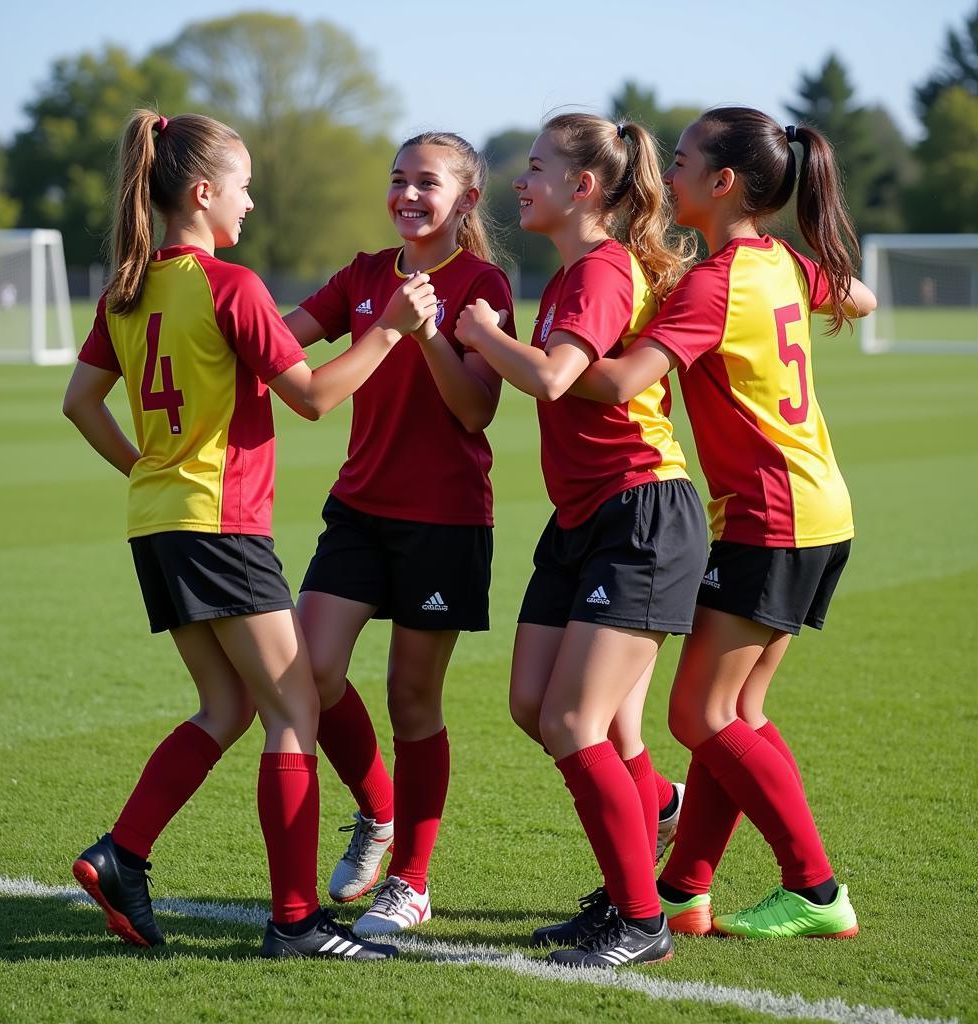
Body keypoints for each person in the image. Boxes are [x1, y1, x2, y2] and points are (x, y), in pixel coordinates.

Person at [63, 109, 438, 960]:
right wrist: (389, 330)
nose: (252, 204)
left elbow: (79, 403)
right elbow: (312, 396)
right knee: (294, 709)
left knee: (228, 705)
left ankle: (122, 853)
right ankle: (297, 921)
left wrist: (148, 471)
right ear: (203, 193)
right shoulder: (229, 286)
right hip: (221, 527)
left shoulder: (128, 287)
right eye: (244, 187)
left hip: (159, 524)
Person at [575, 107, 876, 940]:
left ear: (723, 183)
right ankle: (685, 888)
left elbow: (616, 380)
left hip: (769, 518)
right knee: (734, 711)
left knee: (698, 717)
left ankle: (815, 890)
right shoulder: (777, 260)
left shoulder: (717, 282)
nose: (668, 174)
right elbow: (860, 292)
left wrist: (530, 349)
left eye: (680, 161)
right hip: (819, 506)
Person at [454, 113, 706, 969]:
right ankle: (653, 811)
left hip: (640, 514)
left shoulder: (600, 268)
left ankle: (640, 922)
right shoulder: (566, 277)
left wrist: (486, 335)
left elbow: (557, 379)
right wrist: (504, 336)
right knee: (536, 707)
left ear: (584, 188)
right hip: (582, 521)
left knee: (570, 718)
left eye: (534, 168)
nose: (519, 182)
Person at [281, 132, 514, 937]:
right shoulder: (364, 272)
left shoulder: (484, 283)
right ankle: (377, 812)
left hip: (445, 520)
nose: (407, 195)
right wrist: (220, 318)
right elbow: (283, 338)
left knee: (412, 699)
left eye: (426, 183)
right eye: (398, 180)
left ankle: (410, 881)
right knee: (310, 671)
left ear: (466, 200)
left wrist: (424, 333)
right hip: (358, 509)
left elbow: (476, 409)